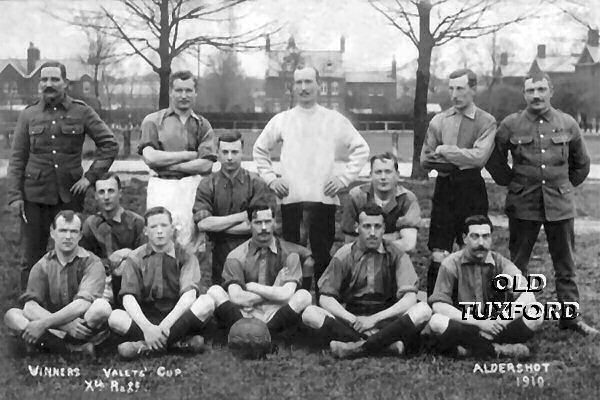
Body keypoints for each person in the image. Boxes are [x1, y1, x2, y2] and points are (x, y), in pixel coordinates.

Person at [486, 72, 597, 336]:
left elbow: (582, 163)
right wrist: (514, 183)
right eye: (530, 91)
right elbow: (495, 160)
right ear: (524, 95)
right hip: (523, 204)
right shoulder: (511, 124)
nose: (536, 95)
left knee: (565, 264)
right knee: (516, 264)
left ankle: (570, 318)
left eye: (541, 89)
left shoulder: (567, 123)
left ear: (551, 91)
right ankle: (513, 315)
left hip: (559, 205)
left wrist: (563, 186)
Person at [253, 66, 370, 292]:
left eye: (309, 82)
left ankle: (321, 308)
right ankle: (294, 306)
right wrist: (271, 179)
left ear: (319, 85)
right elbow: (259, 150)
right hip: (291, 201)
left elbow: (361, 149)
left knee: (321, 258)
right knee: (292, 259)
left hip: (322, 201)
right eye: (299, 83)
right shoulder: (282, 120)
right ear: (293, 87)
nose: (304, 88)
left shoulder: (333, 119)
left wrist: (343, 179)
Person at [6, 61, 118, 290]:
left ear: (65, 83)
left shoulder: (81, 111)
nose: (49, 84)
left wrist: (90, 178)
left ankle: (72, 302)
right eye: (44, 79)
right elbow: (17, 158)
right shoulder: (29, 115)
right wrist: (15, 196)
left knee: (71, 252)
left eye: (54, 79)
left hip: (69, 196)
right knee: (32, 256)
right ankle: (30, 305)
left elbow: (109, 144)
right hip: (34, 198)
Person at [301, 205, 432, 359]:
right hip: (352, 318)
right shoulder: (343, 254)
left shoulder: (397, 254)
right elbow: (325, 297)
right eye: (366, 226)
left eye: (377, 227)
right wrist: (352, 320)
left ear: (384, 229)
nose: (372, 233)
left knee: (423, 309)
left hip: (387, 319)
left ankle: (356, 347)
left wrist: (374, 320)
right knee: (310, 313)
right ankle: (386, 346)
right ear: (357, 228)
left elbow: (409, 297)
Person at [420, 68, 496, 298]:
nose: (454, 94)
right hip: (444, 189)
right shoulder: (439, 120)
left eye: (460, 88)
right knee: (438, 252)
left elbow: (479, 158)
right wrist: (460, 158)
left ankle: (473, 304)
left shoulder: (486, 121)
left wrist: (445, 151)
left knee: (474, 249)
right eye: (451, 88)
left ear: (473, 89)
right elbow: (425, 159)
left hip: (472, 189)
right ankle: (435, 305)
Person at [428, 215, 543, 359]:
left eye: (486, 236)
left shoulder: (501, 263)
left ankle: (471, 350)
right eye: (475, 237)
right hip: (467, 325)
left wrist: (501, 320)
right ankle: (497, 350)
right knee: (436, 322)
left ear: (491, 238)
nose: (481, 242)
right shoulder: (450, 264)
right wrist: (479, 323)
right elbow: (439, 305)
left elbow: (528, 295)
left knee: (536, 313)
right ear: (464, 238)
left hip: (498, 326)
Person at [107, 207, 215, 359]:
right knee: (115, 317)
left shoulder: (186, 256)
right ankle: (177, 344)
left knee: (207, 302)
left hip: (177, 317)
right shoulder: (135, 258)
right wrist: (148, 328)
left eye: (164, 225)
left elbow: (189, 295)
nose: (159, 231)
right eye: (153, 226)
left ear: (172, 229)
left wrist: (165, 326)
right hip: (146, 317)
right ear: (145, 231)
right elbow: (128, 297)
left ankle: (143, 347)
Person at [3, 211, 112, 357]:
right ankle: (71, 349)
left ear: (80, 235)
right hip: (56, 327)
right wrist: (65, 326)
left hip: (83, 324)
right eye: (63, 231)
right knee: (12, 315)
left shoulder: (93, 263)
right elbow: (30, 306)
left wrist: (44, 323)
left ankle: (47, 344)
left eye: (73, 231)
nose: (68, 236)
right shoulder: (42, 265)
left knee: (102, 307)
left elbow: (83, 304)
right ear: (53, 233)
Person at [206, 203, 313, 338]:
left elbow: (286, 294)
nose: (263, 228)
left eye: (267, 222)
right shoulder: (236, 256)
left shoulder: (290, 254)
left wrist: (252, 287)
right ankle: (260, 332)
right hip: (246, 312)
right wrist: (275, 288)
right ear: (249, 224)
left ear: (274, 222)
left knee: (304, 296)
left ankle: (263, 332)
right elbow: (237, 297)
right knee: (214, 291)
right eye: (258, 222)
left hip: (274, 310)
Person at [139, 70, 217, 249]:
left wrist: (167, 164)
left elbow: (206, 164)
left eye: (188, 91)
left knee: (190, 243)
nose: (184, 95)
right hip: (162, 186)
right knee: (160, 238)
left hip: (191, 187)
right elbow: (150, 157)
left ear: (195, 93)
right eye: (179, 90)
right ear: (170, 92)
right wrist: (188, 155)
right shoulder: (153, 121)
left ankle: (190, 276)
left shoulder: (202, 125)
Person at [193, 131, 278, 284]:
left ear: (242, 153)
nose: (230, 157)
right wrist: (243, 216)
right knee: (221, 296)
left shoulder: (256, 183)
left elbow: (260, 225)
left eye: (234, 152)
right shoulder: (207, 184)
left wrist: (218, 226)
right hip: (218, 251)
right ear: (218, 153)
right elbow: (203, 223)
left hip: (251, 250)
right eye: (225, 152)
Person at [80, 172, 145, 305]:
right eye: (101, 192)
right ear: (96, 196)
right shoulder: (91, 224)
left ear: (120, 193)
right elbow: (84, 259)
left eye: (111, 191)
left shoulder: (136, 222)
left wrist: (128, 256)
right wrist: (110, 261)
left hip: (131, 282)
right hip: (100, 281)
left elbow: (145, 259)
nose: (106, 197)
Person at [342, 152, 421, 253]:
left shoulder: (407, 199)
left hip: (395, 258)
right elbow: (350, 242)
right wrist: (394, 236)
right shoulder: (356, 197)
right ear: (370, 175)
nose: (383, 177)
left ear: (397, 175)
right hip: (362, 258)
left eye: (388, 172)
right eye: (378, 172)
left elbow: (408, 244)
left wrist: (369, 239)